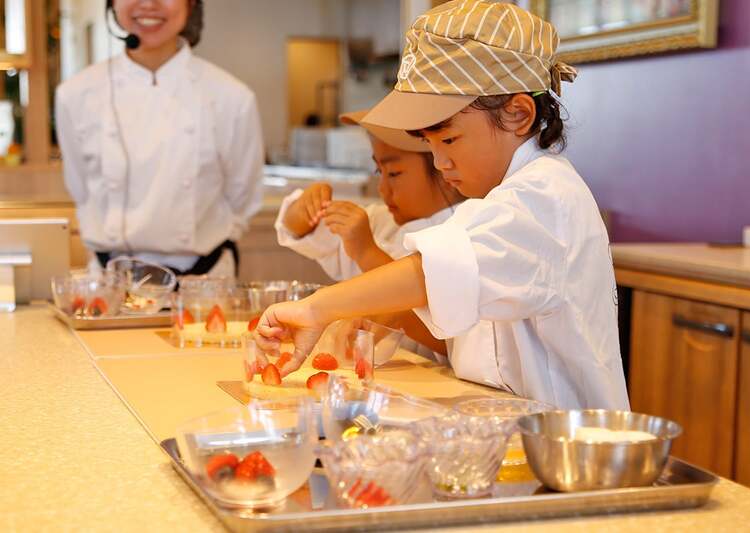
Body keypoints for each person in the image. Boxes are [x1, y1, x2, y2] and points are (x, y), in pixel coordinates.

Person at [255, 0, 629, 409]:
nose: (439, 162)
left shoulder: (546, 195)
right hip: (512, 424)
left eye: (449, 139)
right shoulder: (501, 196)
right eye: (430, 144)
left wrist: (315, 310)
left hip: (561, 437)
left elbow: (431, 274)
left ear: (518, 115)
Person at [56, 0, 264, 278]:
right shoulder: (75, 95)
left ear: (191, 4)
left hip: (203, 283)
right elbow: (80, 189)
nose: (149, 4)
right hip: (111, 283)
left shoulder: (232, 97)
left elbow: (243, 199)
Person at [275, 109, 463, 357]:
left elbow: (452, 342)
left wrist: (366, 252)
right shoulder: (379, 220)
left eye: (394, 173)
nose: (382, 188)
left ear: (443, 170)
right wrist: (304, 207)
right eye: (378, 172)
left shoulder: (461, 234)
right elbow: (297, 229)